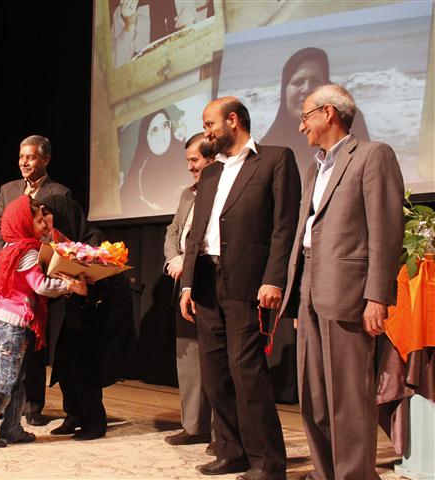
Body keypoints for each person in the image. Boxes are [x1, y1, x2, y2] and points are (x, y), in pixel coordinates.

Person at [279, 84, 404, 480]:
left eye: (305, 118)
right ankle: (325, 472)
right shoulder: (314, 167)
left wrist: (377, 297)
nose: (301, 127)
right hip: (310, 289)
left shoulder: (372, 155)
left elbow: (386, 229)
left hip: (349, 293)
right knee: (313, 396)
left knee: (349, 399)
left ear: (328, 113)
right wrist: (298, 294)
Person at [179, 97, 300, 480]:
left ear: (233, 120)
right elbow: (197, 232)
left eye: (210, 124)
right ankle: (232, 451)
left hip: (247, 281)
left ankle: (267, 461)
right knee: (215, 374)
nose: (206, 132)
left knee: (247, 371)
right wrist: (187, 283)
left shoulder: (275, 159)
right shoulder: (211, 172)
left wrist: (274, 278)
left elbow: (284, 226)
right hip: (205, 281)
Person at [0, 195, 87, 448]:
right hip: (13, 323)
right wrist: (69, 286)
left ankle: (12, 429)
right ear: (23, 222)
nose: (44, 223)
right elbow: (40, 286)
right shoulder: (27, 252)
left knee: (15, 379)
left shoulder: (13, 246)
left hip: (9, 320)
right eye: (38, 220)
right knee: (5, 378)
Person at [0, 134, 70, 426]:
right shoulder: (8, 189)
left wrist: (38, 261)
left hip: (42, 274)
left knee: (34, 343)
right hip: (12, 278)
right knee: (7, 349)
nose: (24, 162)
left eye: (31, 157)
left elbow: (58, 235)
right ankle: (0, 408)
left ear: (45, 159)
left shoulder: (60, 192)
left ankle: (32, 405)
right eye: (21, 156)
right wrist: (11, 258)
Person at [39, 194, 134, 441]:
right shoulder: (58, 240)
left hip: (102, 308)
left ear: (63, 215)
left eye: (47, 214)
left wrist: (87, 292)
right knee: (65, 359)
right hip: (77, 305)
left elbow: (109, 281)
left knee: (86, 363)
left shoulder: (94, 239)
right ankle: (73, 415)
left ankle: (94, 421)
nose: (43, 220)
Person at [162, 133, 215, 448]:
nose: (190, 167)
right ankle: (194, 426)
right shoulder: (186, 195)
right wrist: (175, 259)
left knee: (214, 359)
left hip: (209, 279)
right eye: (188, 161)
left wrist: (189, 260)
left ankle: (221, 433)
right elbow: (172, 232)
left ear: (211, 159)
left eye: (194, 160)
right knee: (189, 357)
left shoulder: (222, 190)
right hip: (182, 280)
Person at [261, 47, 370, 177]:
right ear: (285, 91)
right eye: (298, 82)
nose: (306, 89)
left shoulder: (348, 120)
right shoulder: (269, 146)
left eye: (315, 81)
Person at [120, 108, 188, 215]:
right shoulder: (139, 172)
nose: (161, 135)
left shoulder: (188, 158)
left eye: (165, 126)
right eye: (154, 130)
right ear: (145, 138)